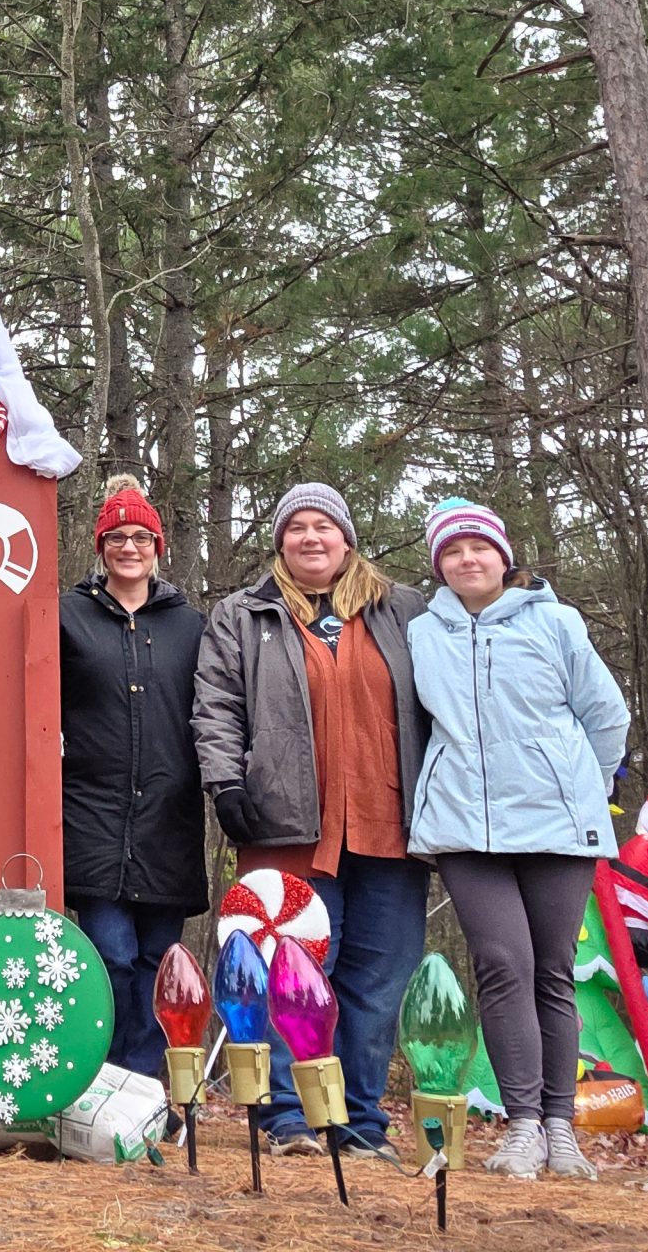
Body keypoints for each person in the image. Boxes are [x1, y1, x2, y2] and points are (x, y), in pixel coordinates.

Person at [192, 481, 431, 1160]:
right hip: (286, 825)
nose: (310, 538)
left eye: (323, 525)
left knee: (377, 979)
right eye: (295, 527)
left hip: (390, 825)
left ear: (347, 538)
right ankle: (290, 1115)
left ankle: (359, 1119)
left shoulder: (401, 609)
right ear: (279, 542)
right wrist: (226, 783)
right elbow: (214, 707)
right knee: (291, 973)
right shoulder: (244, 614)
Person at [407, 498, 629, 1182]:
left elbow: (606, 716)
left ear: (503, 557)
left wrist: (580, 788)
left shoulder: (555, 622)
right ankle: (522, 1126)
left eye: (479, 547)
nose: (467, 559)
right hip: (465, 830)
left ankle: (562, 1129)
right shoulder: (421, 633)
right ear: (439, 564)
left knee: (552, 974)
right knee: (503, 965)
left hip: (557, 829)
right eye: (453, 550)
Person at [59, 479, 206, 1083]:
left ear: (157, 546)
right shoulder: (68, 616)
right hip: (90, 814)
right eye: (116, 537)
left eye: (140, 537)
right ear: (101, 546)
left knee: (157, 961)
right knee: (109, 956)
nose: (128, 547)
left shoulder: (190, 626)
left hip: (167, 820)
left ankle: (144, 1087)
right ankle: (99, 1080)